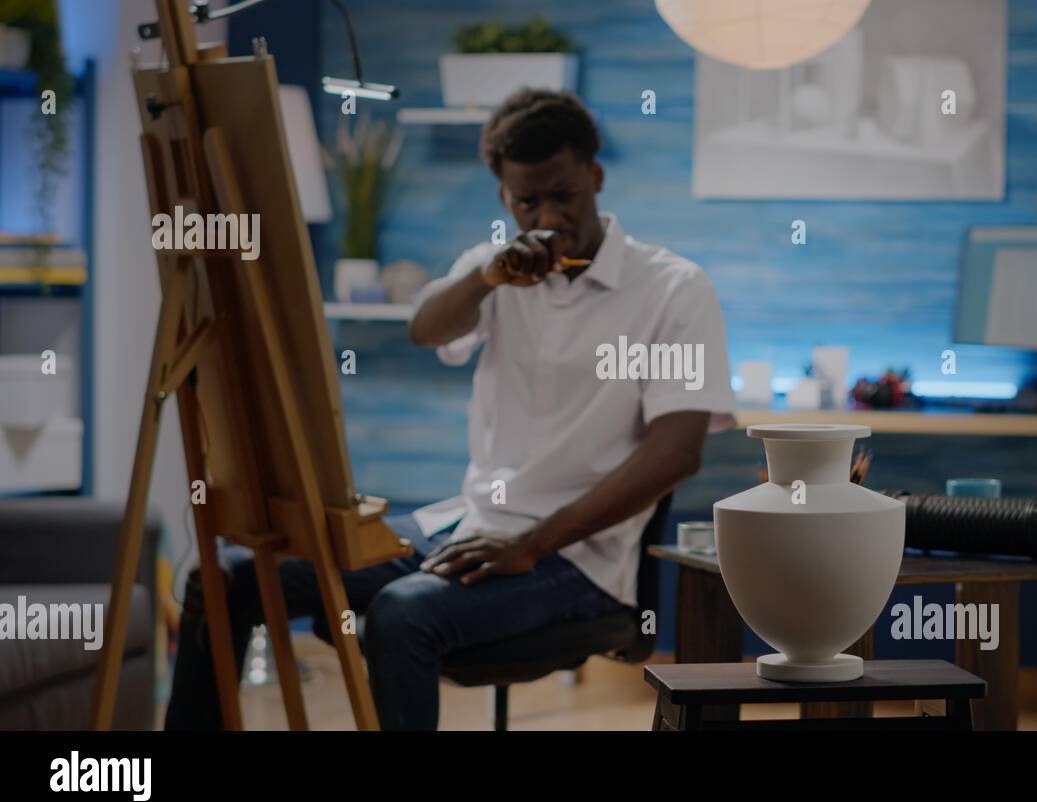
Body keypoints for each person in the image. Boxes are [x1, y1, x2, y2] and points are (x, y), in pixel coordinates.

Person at [165, 88, 735, 730]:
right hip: (466, 524)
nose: (548, 216)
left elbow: (677, 450)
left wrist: (533, 541)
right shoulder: (494, 270)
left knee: (403, 612)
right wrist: (488, 277)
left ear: (595, 176)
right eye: (527, 201)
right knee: (229, 577)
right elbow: (425, 329)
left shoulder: (673, 289)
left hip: (579, 559)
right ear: (503, 198)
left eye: (564, 194)